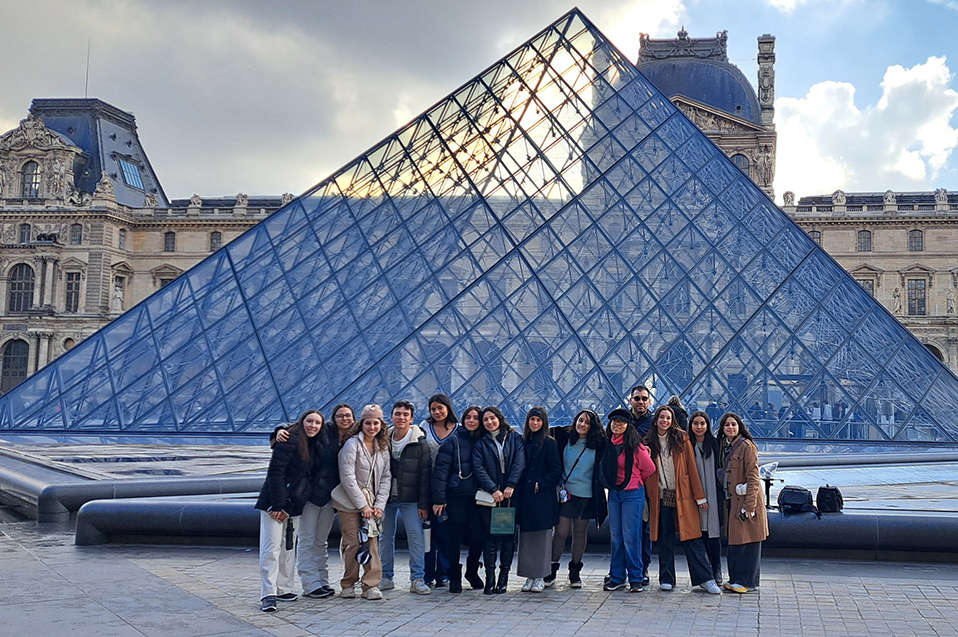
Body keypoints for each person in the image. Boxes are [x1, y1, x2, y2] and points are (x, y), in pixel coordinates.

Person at [274, 403, 354, 598]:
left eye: (348, 416)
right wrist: (278, 431)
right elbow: (296, 426)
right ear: (333, 418)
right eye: (340, 416)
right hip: (311, 494)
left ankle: (322, 581)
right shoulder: (324, 430)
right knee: (308, 540)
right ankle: (310, 584)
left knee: (321, 540)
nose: (344, 419)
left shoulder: (354, 436)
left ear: (353, 418)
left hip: (330, 495)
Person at [645, 405, 721, 595]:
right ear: (656, 420)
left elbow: (692, 471)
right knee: (665, 539)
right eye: (662, 417)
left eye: (668, 418)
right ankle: (666, 578)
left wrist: (700, 497)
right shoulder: (648, 442)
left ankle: (706, 579)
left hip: (683, 497)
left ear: (673, 421)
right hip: (661, 497)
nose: (665, 421)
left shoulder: (682, 439)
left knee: (693, 538)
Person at [254, 410, 324, 612]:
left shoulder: (314, 444)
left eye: (317, 423)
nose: (313, 425)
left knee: (287, 547)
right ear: (301, 422)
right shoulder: (289, 440)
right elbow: (275, 473)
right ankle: (268, 593)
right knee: (272, 548)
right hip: (275, 503)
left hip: (294, 504)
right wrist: (277, 505)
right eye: (309, 421)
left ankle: (283, 588)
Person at [336, 404, 391, 600]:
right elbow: (347, 478)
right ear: (362, 424)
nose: (372, 426)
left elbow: (386, 477)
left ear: (381, 425)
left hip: (373, 503)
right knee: (352, 543)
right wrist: (363, 506)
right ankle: (348, 583)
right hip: (350, 503)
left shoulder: (382, 447)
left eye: (376, 423)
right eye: (368, 423)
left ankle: (370, 585)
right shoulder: (352, 445)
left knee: (372, 543)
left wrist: (378, 506)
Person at [548, 408, 607, 588]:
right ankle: (551, 568)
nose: (582, 425)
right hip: (566, 493)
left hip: (586, 495)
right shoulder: (563, 437)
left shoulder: (599, 444)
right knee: (561, 532)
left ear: (593, 427)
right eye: (580, 420)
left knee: (580, 533)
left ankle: (575, 572)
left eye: (587, 422)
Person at [599, 408, 655, 593]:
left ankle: (636, 577)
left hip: (632, 494)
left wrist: (636, 479)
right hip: (615, 493)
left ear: (628, 425)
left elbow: (649, 468)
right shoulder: (608, 444)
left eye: (621, 422)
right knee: (616, 537)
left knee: (631, 536)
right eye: (615, 421)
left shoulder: (635, 445)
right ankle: (617, 577)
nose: (617, 425)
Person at [379, 401, 432, 595]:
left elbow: (426, 475)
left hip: (411, 499)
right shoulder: (382, 439)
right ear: (391, 416)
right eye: (397, 413)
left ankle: (417, 578)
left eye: (405, 414)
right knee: (385, 538)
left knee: (416, 538)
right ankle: (386, 577)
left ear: (411, 418)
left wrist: (424, 504)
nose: (401, 417)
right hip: (386, 498)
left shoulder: (420, 442)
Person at [473, 406, 526, 594]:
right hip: (491, 496)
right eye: (485, 419)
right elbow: (478, 468)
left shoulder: (514, 437)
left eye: (492, 418)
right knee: (490, 537)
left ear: (499, 418)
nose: (489, 422)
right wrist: (493, 489)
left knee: (508, 537)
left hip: (511, 495)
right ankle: (490, 578)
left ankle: (503, 577)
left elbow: (520, 462)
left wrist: (511, 485)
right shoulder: (480, 443)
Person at [432, 405, 484, 593]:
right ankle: (454, 575)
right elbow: (440, 473)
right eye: (468, 417)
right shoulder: (452, 442)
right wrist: (439, 498)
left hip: (480, 499)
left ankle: (471, 571)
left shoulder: (485, 440)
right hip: (457, 497)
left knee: (479, 538)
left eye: (475, 418)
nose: (471, 421)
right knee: (453, 539)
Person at [717, 412, 768, 594]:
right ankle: (736, 579)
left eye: (733, 424)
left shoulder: (747, 446)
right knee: (736, 542)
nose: (730, 427)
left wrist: (749, 506)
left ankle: (747, 581)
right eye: (726, 425)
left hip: (745, 502)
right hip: (732, 502)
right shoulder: (726, 446)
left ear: (740, 427)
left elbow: (754, 477)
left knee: (749, 543)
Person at [516, 407, 562, 593]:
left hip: (542, 498)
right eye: (532, 420)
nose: (534, 423)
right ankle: (529, 576)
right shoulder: (522, 441)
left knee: (543, 539)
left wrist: (540, 484)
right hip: (526, 497)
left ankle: (540, 576)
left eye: (538, 420)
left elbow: (556, 470)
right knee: (526, 539)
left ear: (544, 423)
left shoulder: (550, 443)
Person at [420, 394, 459, 588]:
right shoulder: (423, 427)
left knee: (445, 532)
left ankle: (443, 572)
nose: (436, 412)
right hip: (427, 485)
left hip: (450, 488)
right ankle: (427, 573)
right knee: (427, 532)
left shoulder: (459, 430)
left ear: (448, 408)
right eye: (433, 409)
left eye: (440, 408)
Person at [687, 410, 723, 585]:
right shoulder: (686, 446)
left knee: (713, 537)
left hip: (714, 497)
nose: (699, 427)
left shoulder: (715, 445)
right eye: (696, 423)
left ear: (707, 425)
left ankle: (716, 570)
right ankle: (705, 573)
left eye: (702, 423)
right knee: (699, 536)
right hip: (694, 497)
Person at [626, 385, 654, 586]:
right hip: (625, 483)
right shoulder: (623, 420)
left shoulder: (653, 422)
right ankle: (623, 569)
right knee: (624, 531)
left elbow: (627, 438)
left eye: (644, 399)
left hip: (645, 482)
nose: (641, 402)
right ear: (631, 400)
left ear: (649, 401)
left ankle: (642, 569)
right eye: (637, 399)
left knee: (644, 529)